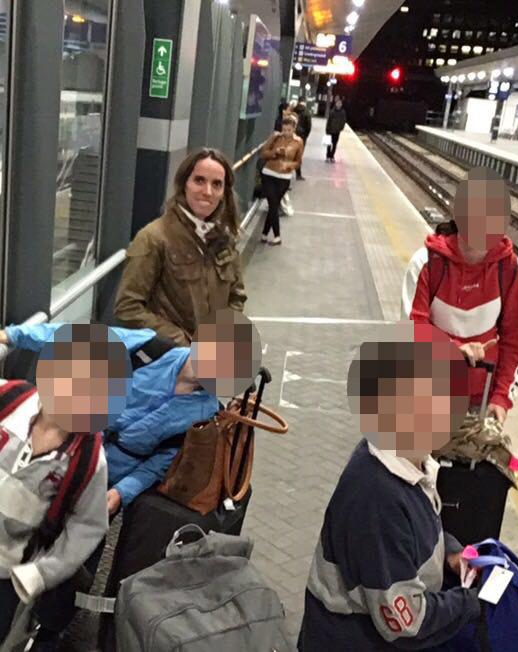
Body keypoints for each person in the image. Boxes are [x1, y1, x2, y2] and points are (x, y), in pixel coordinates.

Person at [0, 309, 262, 647]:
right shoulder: (149, 349)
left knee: (78, 556)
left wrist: (121, 493)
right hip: (72, 445)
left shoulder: (204, 413)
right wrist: (14, 335)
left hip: (110, 474)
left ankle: (47, 629)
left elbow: (160, 461)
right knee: (31, 525)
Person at [298, 323, 481, 650]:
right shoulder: (378, 497)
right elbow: (404, 622)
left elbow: (416, 536)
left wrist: (451, 553)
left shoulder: (411, 459)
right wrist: (470, 602)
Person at [401, 167, 518, 545]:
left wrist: (501, 398)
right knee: (416, 490)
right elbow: (413, 332)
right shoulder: (426, 263)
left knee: (469, 501)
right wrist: (453, 352)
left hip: (478, 405)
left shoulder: (511, 271)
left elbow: (516, 342)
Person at [0, 324, 131, 648]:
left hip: (8, 572)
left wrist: (41, 574)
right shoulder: (8, 403)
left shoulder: (87, 461)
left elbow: (86, 526)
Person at [113, 147, 246, 347]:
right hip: (172, 362)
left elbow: (237, 295)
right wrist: (180, 340)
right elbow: (127, 307)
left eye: (216, 184)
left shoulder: (224, 238)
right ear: (184, 184)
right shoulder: (153, 238)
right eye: (199, 180)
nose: (207, 191)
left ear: (223, 192)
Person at [259, 116, 303, 246]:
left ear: (294, 129)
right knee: (273, 204)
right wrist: (274, 152)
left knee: (274, 204)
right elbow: (263, 153)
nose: (286, 132)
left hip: (284, 177)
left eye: (289, 130)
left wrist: (290, 166)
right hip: (269, 173)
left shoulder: (298, 142)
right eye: (284, 129)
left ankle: (264, 234)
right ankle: (277, 236)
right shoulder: (275, 137)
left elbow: (298, 161)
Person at [293, 99, 312, 180]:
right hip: (302, 136)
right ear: (305, 102)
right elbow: (309, 126)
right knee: (298, 155)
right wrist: (305, 135)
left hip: (292, 134)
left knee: (290, 154)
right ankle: (298, 174)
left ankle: (287, 173)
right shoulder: (307, 112)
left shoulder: (293, 110)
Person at [325, 98, 347, 162]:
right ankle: (327, 156)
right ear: (336, 104)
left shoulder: (343, 112)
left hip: (337, 131)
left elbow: (343, 121)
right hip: (330, 130)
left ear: (341, 104)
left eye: (340, 103)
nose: (339, 104)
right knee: (328, 144)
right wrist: (327, 129)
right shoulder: (332, 111)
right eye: (338, 103)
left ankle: (332, 156)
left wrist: (341, 128)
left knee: (334, 144)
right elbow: (329, 121)